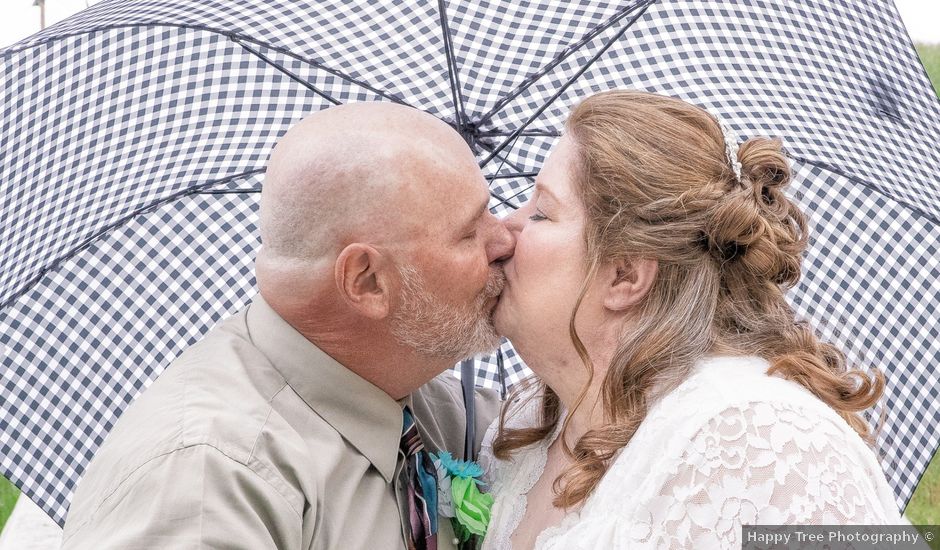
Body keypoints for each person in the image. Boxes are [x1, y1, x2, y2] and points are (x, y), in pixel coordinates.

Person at [61, 102, 513, 550]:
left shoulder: (439, 407)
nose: (504, 239)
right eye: (469, 232)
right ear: (368, 281)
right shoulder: (211, 476)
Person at [480, 90, 903, 549]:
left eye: (541, 212)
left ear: (624, 274)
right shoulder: (526, 428)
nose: (504, 230)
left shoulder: (770, 446)